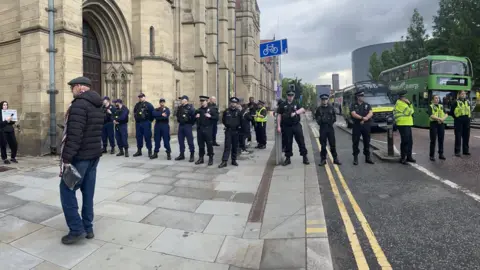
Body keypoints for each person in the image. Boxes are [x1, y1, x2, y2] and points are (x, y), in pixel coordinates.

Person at [59, 76, 103, 245]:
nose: (72, 91)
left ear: (78, 87)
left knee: (66, 189)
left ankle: (76, 229)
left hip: (81, 157)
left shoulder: (79, 104)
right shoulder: (97, 104)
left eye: (72, 88)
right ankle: (88, 227)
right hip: (93, 155)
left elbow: (75, 135)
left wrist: (67, 158)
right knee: (88, 191)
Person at [277, 90, 309, 165]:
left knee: (301, 141)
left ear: (293, 96)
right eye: (289, 95)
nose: (290, 97)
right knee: (288, 142)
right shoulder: (282, 104)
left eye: (292, 96)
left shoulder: (296, 103)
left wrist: (295, 113)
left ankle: (304, 157)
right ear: (287, 96)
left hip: (296, 125)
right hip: (287, 126)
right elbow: (279, 115)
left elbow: (302, 109)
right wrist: (278, 126)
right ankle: (288, 158)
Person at [315, 94, 341, 166]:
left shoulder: (331, 108)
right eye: (323, 99)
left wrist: (330, 121)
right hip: (323, 128)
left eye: (326, 99)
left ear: (327, 100)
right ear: (321, 100)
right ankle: (323, 160)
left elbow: (334, 118)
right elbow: (317, 119)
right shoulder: (319, 109)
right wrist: (321, 120)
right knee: (323, 145)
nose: (324, 101)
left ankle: (335, 159)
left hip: (330, 128)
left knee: (332, 144)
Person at [350, 90, 374, 165]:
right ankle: (355, 158)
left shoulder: (367, 105)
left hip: (366, 126)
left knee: (367, 141)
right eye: (361, 96)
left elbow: (371, 113)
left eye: (363, 96)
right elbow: (353, 114)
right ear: (357, 97)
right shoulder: (353, 105)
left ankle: (367, 157)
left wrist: (366, 118)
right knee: (355, 142)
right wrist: (362, 118)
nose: (363, 97)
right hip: (357, 125)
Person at [219, 97, 242, 168]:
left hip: (236, 131)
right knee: (227, 146)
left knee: (235, 146)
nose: (233, 104)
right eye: (232, 102)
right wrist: (227, 125)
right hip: (228, 131)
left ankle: (234, 160)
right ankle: (224, 161)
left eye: (235, 103)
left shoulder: (238, 112)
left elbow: (241, 121)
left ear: (236, 104)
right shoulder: (226, 111)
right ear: (230, 103)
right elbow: (223, 120)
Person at [393, 90, 415, 164]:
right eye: (403, 97)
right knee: (405, 141)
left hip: (407, 123)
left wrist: (409, 104)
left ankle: (409, 156)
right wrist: (410, 103)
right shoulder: (400, 103)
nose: (405, 98)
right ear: (400, 97)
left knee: (410, 141)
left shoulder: (403, 103)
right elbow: (410, 112)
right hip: (402, 124)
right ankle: (403, 158)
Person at [195, 95, 218, 165]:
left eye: (203, 101)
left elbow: (216, 118)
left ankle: (210, 158)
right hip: (200, 129)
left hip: (208, 129)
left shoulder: (212, 109)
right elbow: (194, 119)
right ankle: (201, 158)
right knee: (200, 145)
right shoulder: (198, 110)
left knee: (209, 144)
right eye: (201, 101)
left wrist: (210, 116)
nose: (202, 102)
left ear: (207, 101)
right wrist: (196, 117)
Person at [175, 95, 196, 162]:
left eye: (182, 99)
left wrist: (190, 123)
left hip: (187, 125)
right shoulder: (180, 107)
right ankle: (182, 154)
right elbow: (177, 115)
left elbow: (194, 117)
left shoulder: (190, 107)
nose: (181, 101)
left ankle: (192, 155)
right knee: (181, 141)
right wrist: (179, 120)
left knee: (190, 141)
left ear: (186, 100)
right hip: (181, 125)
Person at [133, 93, 154, 157]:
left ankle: (149, 151)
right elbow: (135, 112)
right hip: (138, 123)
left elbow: (152, 114)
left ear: (144, 97)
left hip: (146, 123)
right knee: (138, 137)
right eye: (139, 97)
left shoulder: (149, 105)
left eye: (142, 97)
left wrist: (149, 121)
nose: (140, 98)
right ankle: (139, 150)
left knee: (147, 137)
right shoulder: (137, 105)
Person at [451, 90, 471, 156]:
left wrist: (469, 119)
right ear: (459, 95)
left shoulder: (467, 102)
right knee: (458, 136)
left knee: (466, 136)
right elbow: (452, 112)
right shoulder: (455, 102)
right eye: (462, 94)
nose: (463, 95)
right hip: (458, 121)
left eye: (464, 94)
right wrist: (457, 118)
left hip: (466, 120)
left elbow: (469, 110)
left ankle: (466, 151)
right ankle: (457, 151)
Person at [428, 95, 447, 161]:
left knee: (441, 139)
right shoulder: (430, 106)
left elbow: (446, 113)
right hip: (434, 124)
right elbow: (431, 115)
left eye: (438, 98)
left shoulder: (441, 106)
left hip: (441, 124)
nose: (437, 99)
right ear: (433, 100)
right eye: (436, 98)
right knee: (433, 140)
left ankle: (441, 154)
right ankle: (432, 155)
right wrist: (439, 119)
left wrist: (442, 119)